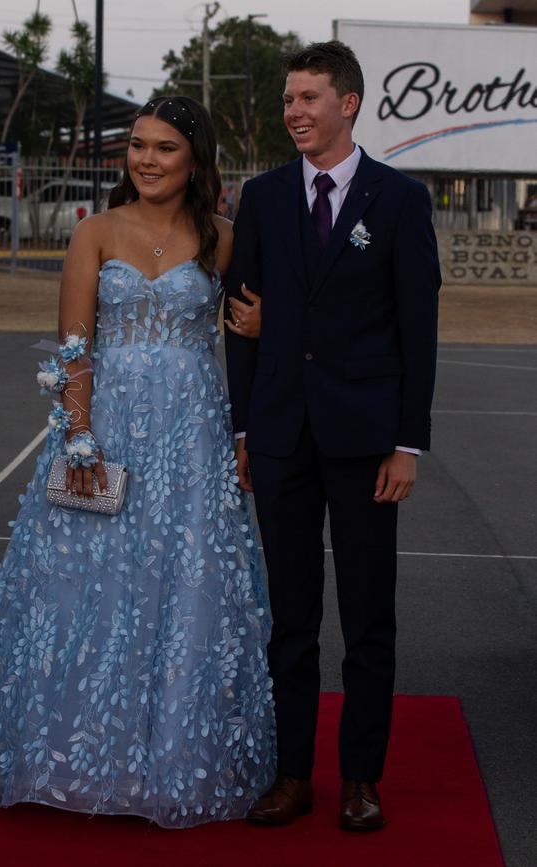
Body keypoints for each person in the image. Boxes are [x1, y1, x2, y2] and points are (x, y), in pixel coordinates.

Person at [0, 95, 275, 829]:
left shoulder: (226, 240)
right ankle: (68, 752)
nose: (146, 158)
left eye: (165, 148)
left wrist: (263, 326)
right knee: (85, 583)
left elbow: (256, 335)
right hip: (104, 430)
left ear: (195, 159)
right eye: (138, 145)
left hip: (192, 439)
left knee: (183, 584)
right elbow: (74, 346)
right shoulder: (96, 233)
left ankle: (172, 752)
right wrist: (78, 435)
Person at [224, 41, 441, 831]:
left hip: (364, 441)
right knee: (290, 618)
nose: (294, 112)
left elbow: (418, 330)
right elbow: (240, 323)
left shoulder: (399, 200)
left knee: (367, 617)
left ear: (348, 103)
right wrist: (244, 427)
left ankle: (360, 776)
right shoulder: (265, 197)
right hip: (281, 436)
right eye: (289, 98)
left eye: (309, 97)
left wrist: (406, 443)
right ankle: (291, 773)